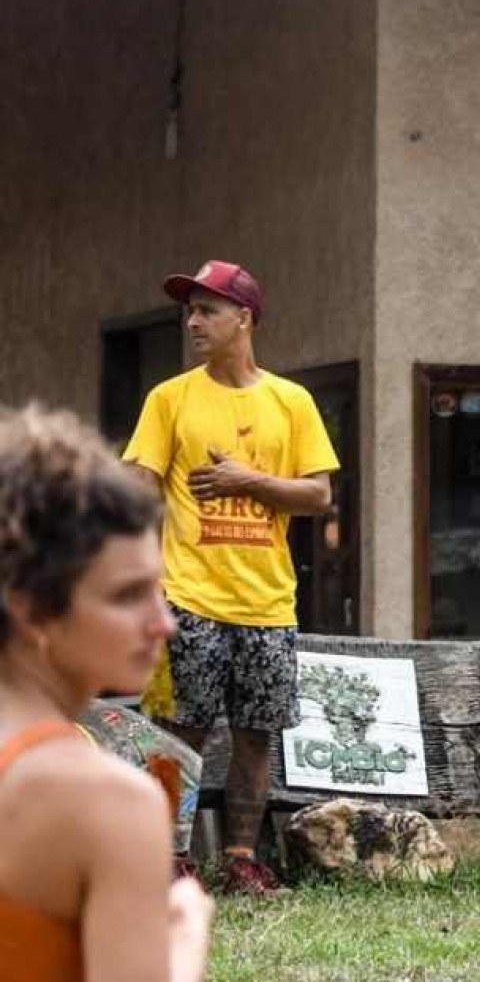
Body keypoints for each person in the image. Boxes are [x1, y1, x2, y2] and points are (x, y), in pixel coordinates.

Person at [123, 261, 339, 896]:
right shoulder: (170, 398)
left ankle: (242, 858)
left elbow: (318, 495)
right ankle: (166, 858)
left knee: (254, 735)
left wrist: (249, 482)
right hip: (187, 598)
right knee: (177, 732)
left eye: (207, 309)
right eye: (189, 310)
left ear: (244, 319)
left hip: (267, 602)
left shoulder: (290, 401)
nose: (193, 321)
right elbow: (138, 484)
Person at [0, 404, 213, 981]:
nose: (163, 623)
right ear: (31, 606)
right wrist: (184, 946)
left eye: (160, 591)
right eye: (127, 595)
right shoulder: (108, 802)